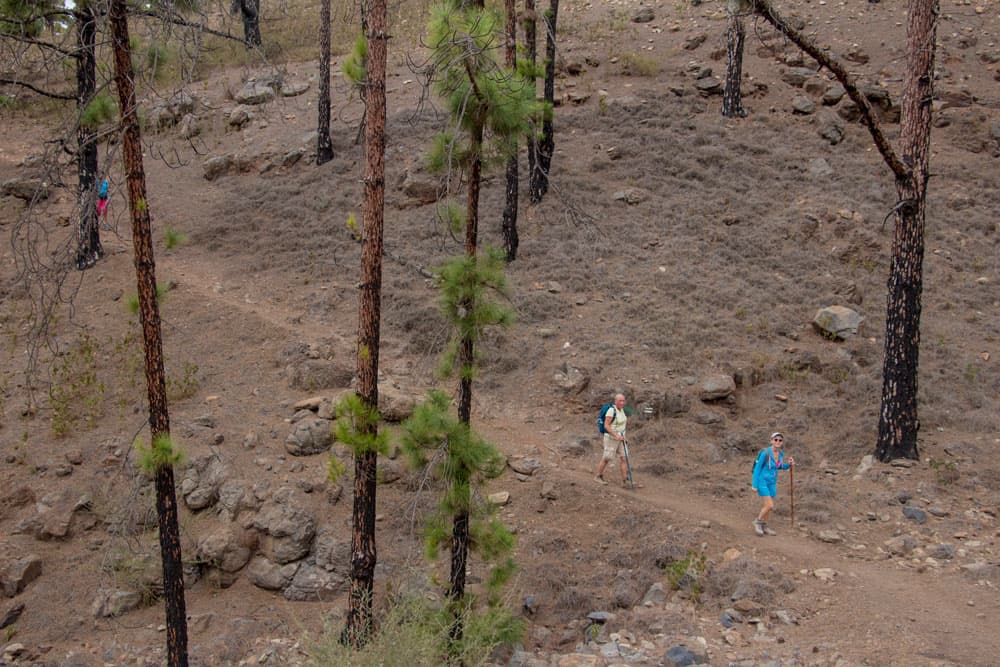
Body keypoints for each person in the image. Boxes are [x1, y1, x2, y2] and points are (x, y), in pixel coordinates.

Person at [751, 431, 794, 536]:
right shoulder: (765, 453)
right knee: (770, 505)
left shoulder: (781, 453)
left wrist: (788, 465)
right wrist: (754, 484)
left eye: (780, 440)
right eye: (776, 439)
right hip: (762, 481)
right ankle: (757, 521)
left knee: (767, 506)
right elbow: (757, 469)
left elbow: (778, 466)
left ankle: (764, 526)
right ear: (771, 441)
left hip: (772, 482)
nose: (778, 442)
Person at [595, 393, 629, 487]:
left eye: (623, 401)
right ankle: (598, 476)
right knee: (607, 458)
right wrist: (616, 435)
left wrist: (623, 436)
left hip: (621, 438)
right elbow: (606, 425)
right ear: (616, 401)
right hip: (611, 438)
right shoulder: (611, 410)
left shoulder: (622, 410)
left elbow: (622, 425)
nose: (622, 403)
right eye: (620, 401)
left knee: (624, 457)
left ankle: (625, 480)